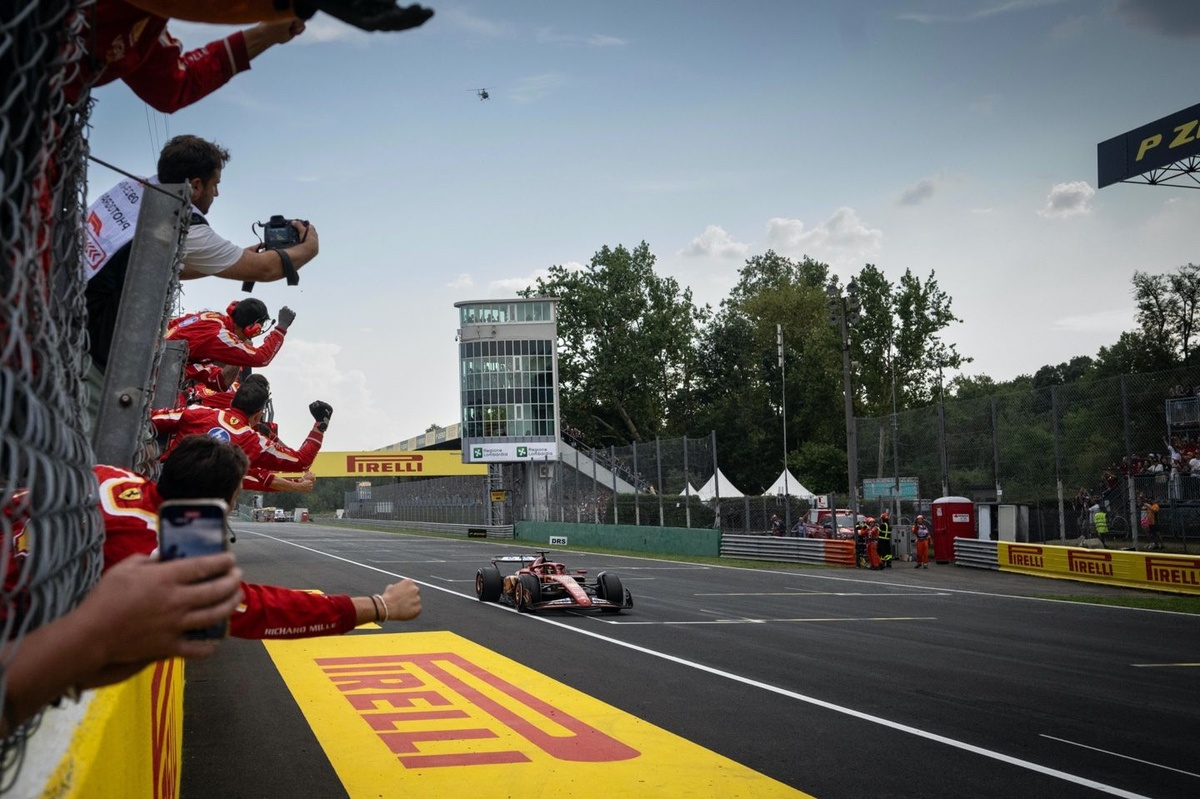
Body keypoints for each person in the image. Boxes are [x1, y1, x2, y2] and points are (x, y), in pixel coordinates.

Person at [98, 435, 421, 640]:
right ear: (217, 505)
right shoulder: (165, 551)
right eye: (236, 496)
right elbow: (257, 609)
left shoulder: (111, 475)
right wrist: (382, 605)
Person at [84, 135, 320, 384]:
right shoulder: (181, 220)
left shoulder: (135, 190)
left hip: (70, 313)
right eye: (215, 184)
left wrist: (227, 262)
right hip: (93, 348)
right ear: (196, 186)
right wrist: (310, 247)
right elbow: (267, 269)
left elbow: (168, 268)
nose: (216, 192)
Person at [151, 381, 330, 475]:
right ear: (258, 414)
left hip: (162, 488)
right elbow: (301, 462)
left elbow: (153, 418)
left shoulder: (196, 411)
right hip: (205, 510)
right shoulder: (254, 441)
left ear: (232, 401)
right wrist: (320, 425)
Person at [166, 300, 294, 391]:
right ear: (252, 328)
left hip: (160, 360)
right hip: (158, 375)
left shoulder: (208, 316)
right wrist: (280, 329)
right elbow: (262, 358)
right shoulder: (220, 336)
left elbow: (220, 383)